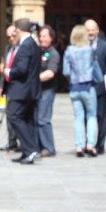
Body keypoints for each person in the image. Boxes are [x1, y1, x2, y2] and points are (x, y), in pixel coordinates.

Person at [5, 18, 41, 164]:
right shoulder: (32, 43)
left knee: (14, 116)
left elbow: (22, 69)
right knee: (26, 119)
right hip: (29, 89)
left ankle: (31, 149)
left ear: (19, 30)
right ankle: (28, 151)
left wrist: (9, 72)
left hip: (22, 90)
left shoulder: (26, 45)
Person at [63, 24, 98, 157]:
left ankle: (79, 146)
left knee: (78, 117)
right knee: (91, 116)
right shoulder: (90, 49)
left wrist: (72, 78)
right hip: (88, 86)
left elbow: (65, 71)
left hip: (74, 87)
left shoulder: (69, 50)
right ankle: (90, 144)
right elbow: (95, 66)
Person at [85, 19, 106, 154]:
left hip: (100, 88)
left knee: (101, 117)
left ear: (97, 31)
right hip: (84, 88)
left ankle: (100, 144)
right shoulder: (80, 45)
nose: (90, 32)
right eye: (88, 30)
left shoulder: (104, 46)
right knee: (85, 117)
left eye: (92, 29)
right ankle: (88, 144)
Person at [36, 24, 61, 157]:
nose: (42, 39)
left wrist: (34, 79)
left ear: (51, 38)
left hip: (47, 90)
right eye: (40, 36)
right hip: (37, 90)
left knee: (43, 119)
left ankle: (49, 148)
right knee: (36, 118)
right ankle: (40, 146)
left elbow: (50, 73)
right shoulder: (38, 51)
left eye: (45, 36)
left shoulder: (53, 53)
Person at [0, 25, 20, 152]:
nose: (11, 38)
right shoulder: (8, 49)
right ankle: (12, 141)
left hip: (19, 86)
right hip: (9, 86)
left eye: (13, 35)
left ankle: (21, 141)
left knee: (16, 115)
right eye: (8, 36)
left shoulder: (22, 49)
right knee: (9, 115)